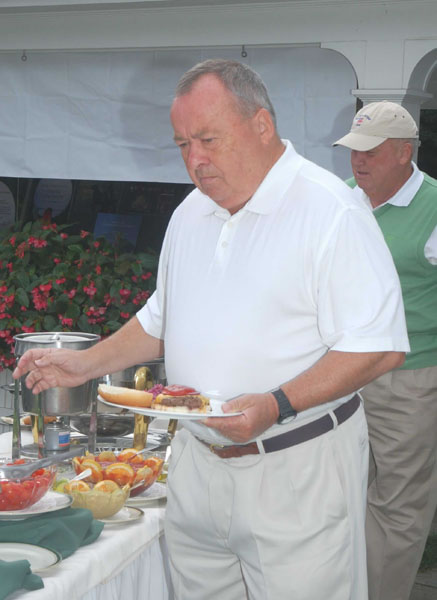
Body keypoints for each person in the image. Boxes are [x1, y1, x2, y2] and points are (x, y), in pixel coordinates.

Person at [14, 61, 409, 600]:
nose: (195, 159)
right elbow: (162, 319)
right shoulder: (190, 214)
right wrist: (84, 364)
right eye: (183, 144)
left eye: (208, 139)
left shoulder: (330, 211)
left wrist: (276, 403)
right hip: (198, 464)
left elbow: (378, 347)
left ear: (262, 125)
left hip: (296, 464)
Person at [333, 100, 437, 600]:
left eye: (370, 151)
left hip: (410, 379)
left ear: (403, 152)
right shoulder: (339, 198)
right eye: (354, 150)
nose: (358, 161)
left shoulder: (434, 207)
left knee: (398, 506)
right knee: (339, 494)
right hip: (339, 372)